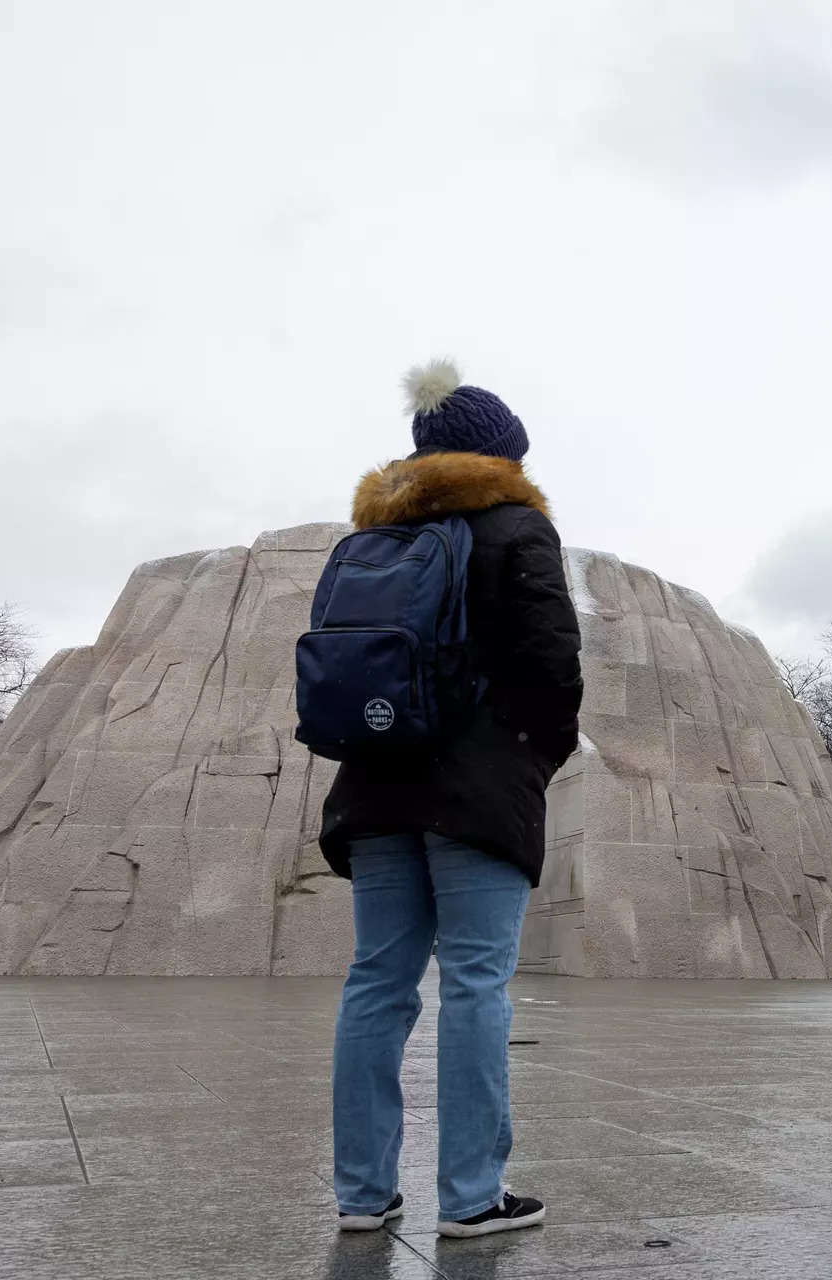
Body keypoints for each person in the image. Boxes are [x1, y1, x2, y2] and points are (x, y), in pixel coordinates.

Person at [321, 361, 583, 1238]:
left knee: (375, 984)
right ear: (500, 456)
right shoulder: (516, 528)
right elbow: (552, 661)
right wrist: (536, 755)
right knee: (476, 984)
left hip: (375, 780)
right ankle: (471, 1198)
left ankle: (362, 1195)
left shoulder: (366, 541)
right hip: (477, 787)